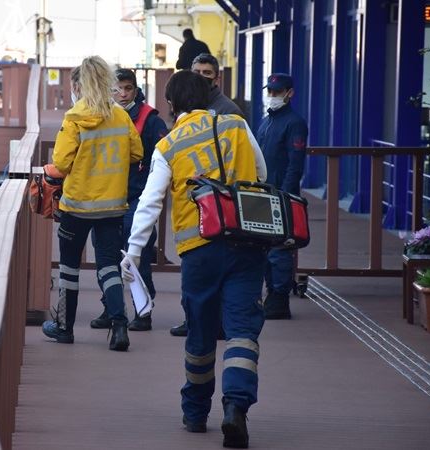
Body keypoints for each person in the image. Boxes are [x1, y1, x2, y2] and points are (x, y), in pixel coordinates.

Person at [121, 71, 267, 448]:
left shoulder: (169, 146)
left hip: (200, 251)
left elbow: (150, 202)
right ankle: (236, 407)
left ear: (172, 105)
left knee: (201, 333)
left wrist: (134, 252)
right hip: (247, 241)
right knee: (241, 329)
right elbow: (263, 173)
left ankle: (196, 413)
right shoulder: (236, 124)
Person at [42, 56, 144, 352]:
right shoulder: (120, 115)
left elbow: (61, 163)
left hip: (76, 205)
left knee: (70, 268)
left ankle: (64, 328)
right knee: (108, 265)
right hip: (112, 206)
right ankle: (120, 325)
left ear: (81, 85)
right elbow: (137, 153)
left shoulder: (75, 117)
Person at [169, 53, 263, 337]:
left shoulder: (229, 112)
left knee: (212, 277)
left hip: (222, 211)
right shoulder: (200, 108)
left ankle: (209, 326)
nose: (200, 76)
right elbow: (262, 170)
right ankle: (213, 325)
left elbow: (251, 161)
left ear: (217, 77)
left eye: (206, 72)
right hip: (218, 212)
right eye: (196, 71)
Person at [89, 68, 169, 332]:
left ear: (136, 89)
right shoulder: (102, 115)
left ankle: (142, 312)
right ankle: (110, 308)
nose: (122, 94)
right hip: (108, 195)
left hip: (137, 196)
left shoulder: (151, 120)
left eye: (128, 88)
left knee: (139, 254)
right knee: (106, 255)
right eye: (117, 89)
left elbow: (161, 161)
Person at [256, 73, 308, 320]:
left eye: (278, 92)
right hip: (263, 193)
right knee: (265, 247)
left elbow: (295, 165)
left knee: (279, 248)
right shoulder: (266, 121)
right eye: (271, 92)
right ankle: (272, 294)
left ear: (290, 93)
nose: (273, 96)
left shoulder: (294, 123)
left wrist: (285, 196)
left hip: (281, 195)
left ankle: (279, 299)